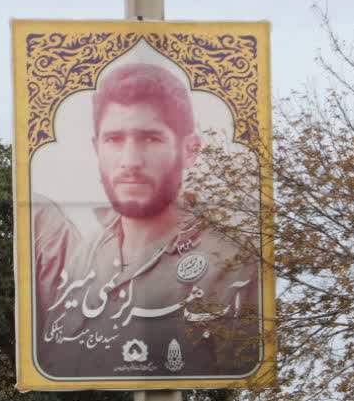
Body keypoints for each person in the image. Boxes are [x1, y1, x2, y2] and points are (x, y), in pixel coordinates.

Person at [35, 61, 262, 380]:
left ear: (190, 150)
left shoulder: (232, 262)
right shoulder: (85, 255)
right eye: (114, 139)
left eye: (151, 139)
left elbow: (241, 383)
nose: (130, 161)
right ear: (96, 148)